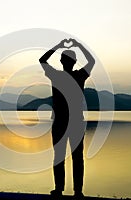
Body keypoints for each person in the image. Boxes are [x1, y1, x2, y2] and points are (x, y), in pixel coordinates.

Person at [39, 38, 95, 199]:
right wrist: (78, 46)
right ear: (74, 62)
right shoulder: (79, 76)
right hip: (74, 122)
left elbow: (42, 60)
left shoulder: (56, 75)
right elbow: (91, 60)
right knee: (76, 158)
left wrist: (58, 46)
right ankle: (76, 191)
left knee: (60, 157)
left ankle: (61, 190)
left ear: (62, 61)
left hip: (64, 122)